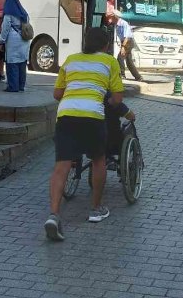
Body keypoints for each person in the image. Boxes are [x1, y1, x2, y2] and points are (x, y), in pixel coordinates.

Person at [45, 28, 124, 241]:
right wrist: (104, 100)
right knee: (99, 160)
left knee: (61, 165)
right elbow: (117, 98)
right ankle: (96, 208)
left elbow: (57, 94)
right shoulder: (109, 62)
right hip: (92, 115)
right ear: (105, 45)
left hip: (66, 114)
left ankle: (54, 214)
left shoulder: (70, 60)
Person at [0, 0, 31, 92]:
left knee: (12, 63)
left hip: (13, 40)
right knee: (22, 62)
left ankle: (13, 86)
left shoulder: (8, 13)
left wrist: (1, 41)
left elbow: (5, 28)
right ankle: (21, 86)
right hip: (24, 40)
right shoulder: (24, 12)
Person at [107, 6, 142, 81]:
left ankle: (122, 75)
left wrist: (123, 47)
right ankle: (138, 77)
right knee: (129, 61)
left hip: (128, 41)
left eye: (111, 17)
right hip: (125, 42)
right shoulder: (117, 24)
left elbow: (127, 37)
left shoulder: (123, 23)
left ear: (115, 17)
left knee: (120, 57)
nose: (110, 18)